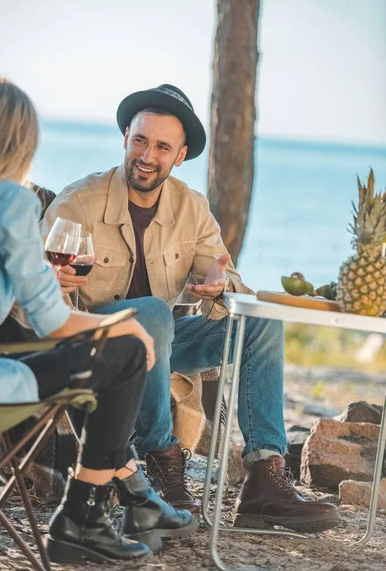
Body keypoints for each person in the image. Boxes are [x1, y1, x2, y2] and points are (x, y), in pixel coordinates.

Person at [41, 83, 341, 533]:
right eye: (140, 140)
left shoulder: (192, 208)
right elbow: (35, 296)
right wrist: (52, 282)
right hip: (94, 341)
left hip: (161, 344)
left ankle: (264, 478)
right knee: (157, 313)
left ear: (179, 156)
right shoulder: (78, 203)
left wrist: (220, 287)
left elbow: (229, 279)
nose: (147, 155)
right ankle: (162, 459)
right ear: (125, 137)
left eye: (162, 146)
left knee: (261, 322)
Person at [0, 77, 197, 565]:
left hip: (3, 359)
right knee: (121, 352)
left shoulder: (191, 206)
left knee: (99, 353)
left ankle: (133, 496)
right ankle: (86, 515)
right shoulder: (9, 200)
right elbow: (50, 319)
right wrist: (119, 328)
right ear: (19, 142)